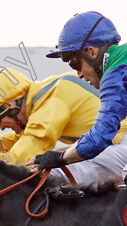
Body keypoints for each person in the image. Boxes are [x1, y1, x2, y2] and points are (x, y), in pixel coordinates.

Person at [0, 66, 127, 189]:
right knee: (53, 161)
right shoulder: (44, 94)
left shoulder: (50, 103)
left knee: (41, 172)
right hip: (115, 144)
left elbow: (20, 159)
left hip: (121, 146)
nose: (0, 126)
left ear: (10, 106)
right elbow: (21, 139)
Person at [32, 12, 127, 188]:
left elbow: (99, 137)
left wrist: (60, 158)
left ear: (92, 52)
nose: (79, 74)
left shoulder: (115, 73)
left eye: (74, 63)